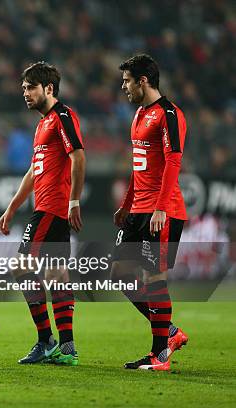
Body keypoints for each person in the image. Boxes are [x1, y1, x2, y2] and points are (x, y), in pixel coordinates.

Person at [0, 62, 85, 366]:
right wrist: (12, 208)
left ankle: (46, 340)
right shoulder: (43, 124)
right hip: (47, 207)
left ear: (48, 88)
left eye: (31, 87)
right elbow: (35, 171)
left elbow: (79, 156)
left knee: (21, 267)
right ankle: (68, 346)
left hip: (52, 208)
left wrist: (74, 200)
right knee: (57, 275)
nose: (25, 93)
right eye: (23, 87)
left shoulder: (62, 116)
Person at [111, 54, 188, 371]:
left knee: (155, 280)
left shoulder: (169, 114)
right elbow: (138, 167)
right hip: (138, 210)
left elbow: (173, 161)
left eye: (127, 80)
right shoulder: (140, 115)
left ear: (143, 81)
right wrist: (127, 203)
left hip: (162, 210)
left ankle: (160, 355)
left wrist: (160, 207)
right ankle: (169, 333)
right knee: (119, 275)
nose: (124, 86)